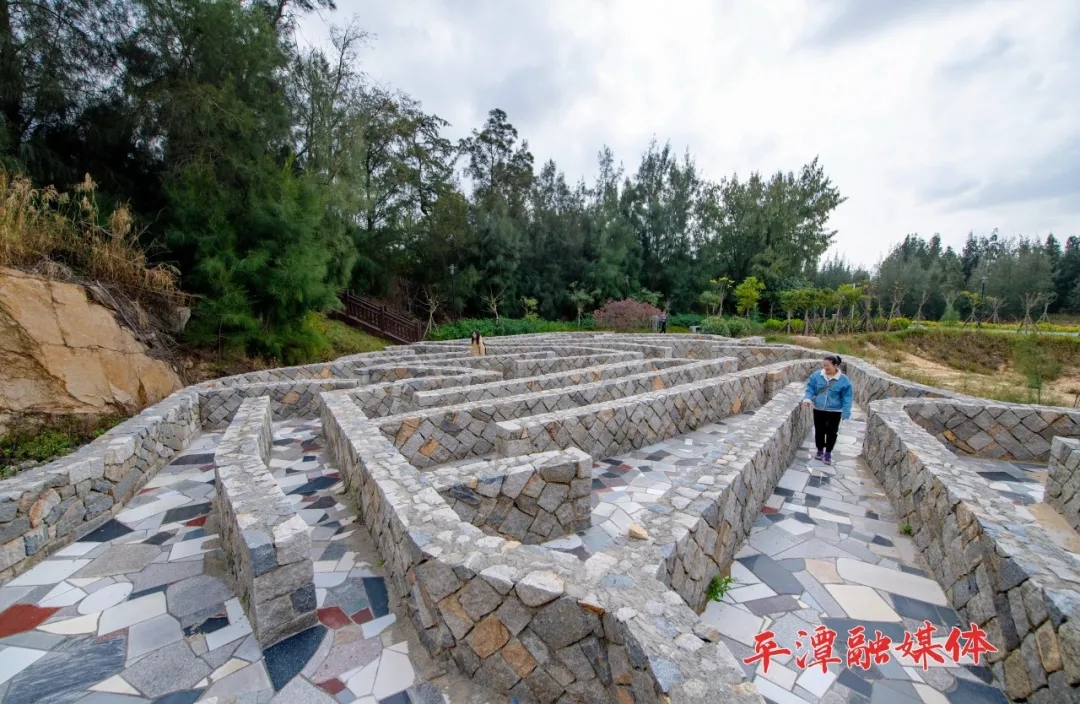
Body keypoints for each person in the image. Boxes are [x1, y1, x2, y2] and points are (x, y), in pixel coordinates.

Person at [801, 353, 853, 465]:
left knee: (832, 432)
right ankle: (820, 450)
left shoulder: (844, 380)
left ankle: (828, 452)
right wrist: (807, 399)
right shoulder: (817, 376)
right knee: (819, 431)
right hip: (819, 409)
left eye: (828, 366)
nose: (825, 368)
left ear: (836, 366)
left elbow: (847, 397)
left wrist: (846, 412)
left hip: (834, 411)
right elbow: (810, 388)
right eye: (824, 365)